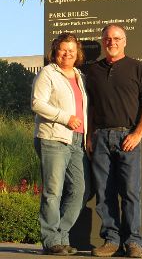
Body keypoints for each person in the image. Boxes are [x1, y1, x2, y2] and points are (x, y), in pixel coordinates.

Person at [86, 24, 142, 258]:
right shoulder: (93, 71)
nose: (112, 42)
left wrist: (137, 134)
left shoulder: (137, 68)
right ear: (103, 41)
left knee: (130, 191)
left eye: (117, 38)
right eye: (107, 38)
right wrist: (89, 135)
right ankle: (111, 240)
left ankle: (133, 242)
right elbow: (91, 107)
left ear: (124, 41)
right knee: (104, 192)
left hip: (128, 137)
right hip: (100, 138)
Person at [31, 33, 89, 256]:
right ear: (55, 52)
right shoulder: (48, 73)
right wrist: (65, 117)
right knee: (53, 192)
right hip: (53, 138)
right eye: (63, 50)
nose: (67, 54)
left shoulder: (79, 75)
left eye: (72, 50)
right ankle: (51, 240)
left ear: (78, 53)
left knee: (80, 190)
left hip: (77, 140)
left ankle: (61, 235)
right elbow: (37, 103)